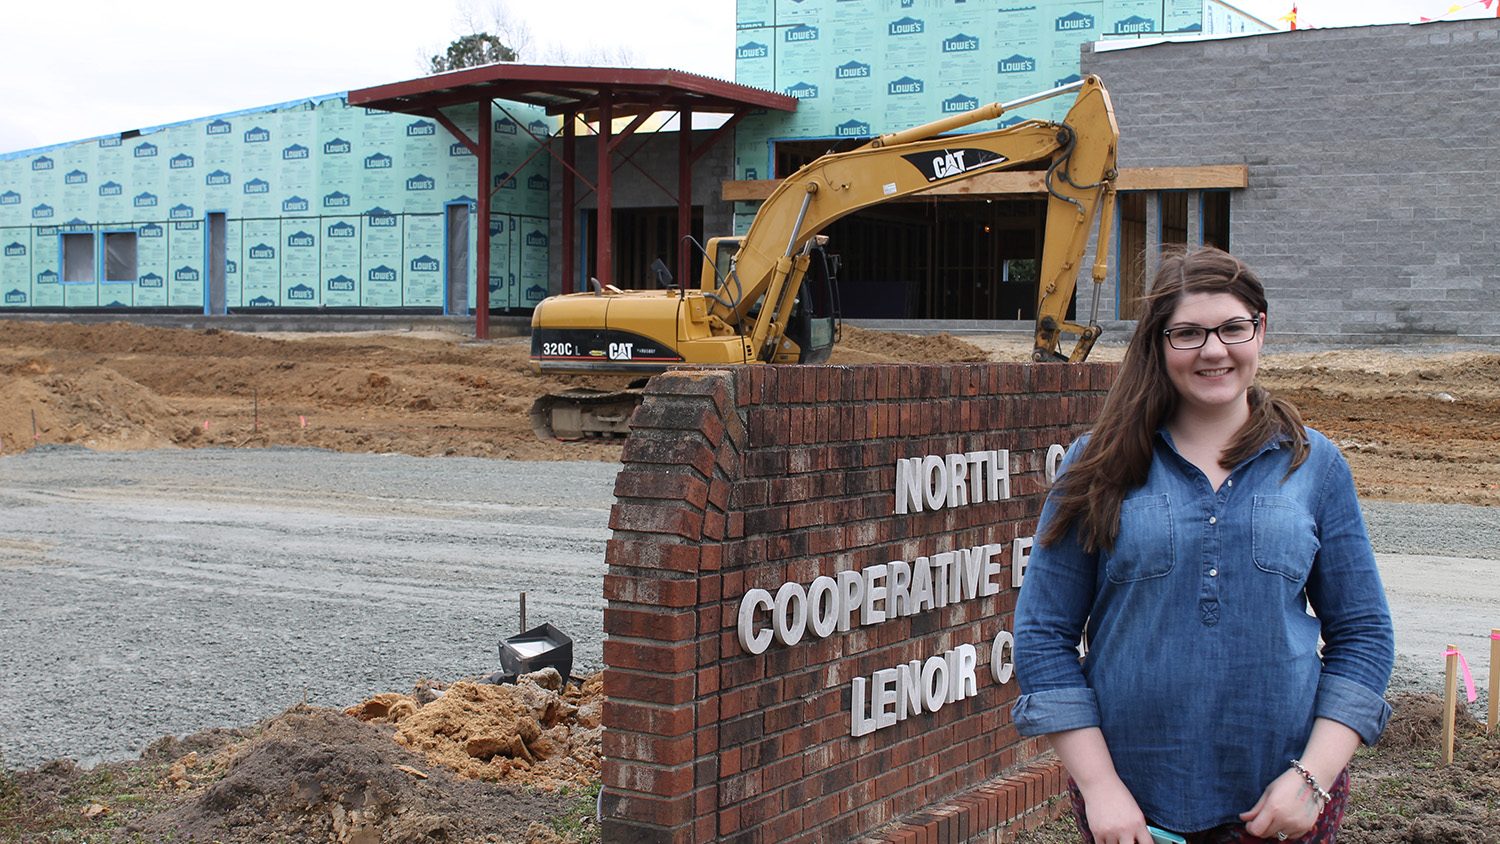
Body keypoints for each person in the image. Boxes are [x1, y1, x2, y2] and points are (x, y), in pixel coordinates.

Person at [1011, 246, 1394, 844]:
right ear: (1159, 345)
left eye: (1232, 328)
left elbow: (1365, 634)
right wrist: (1102, 788)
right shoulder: (1101, 464)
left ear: (1260, 330)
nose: (1213, 350)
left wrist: (1312, 779)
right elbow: (1042, 636)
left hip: (1283, 807)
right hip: (1136, 812)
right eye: (1187, 333)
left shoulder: (1314, 465)